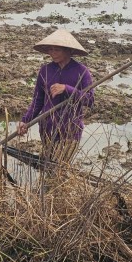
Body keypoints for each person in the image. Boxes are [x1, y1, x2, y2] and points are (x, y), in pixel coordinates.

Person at [17, 29, 94, 173]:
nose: (52, 53)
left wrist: (67, 89)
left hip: (70, 130)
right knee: (46, 168)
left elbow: (89, 100)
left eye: (57, 49)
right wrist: (25, 121)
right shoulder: (45, 71)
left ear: (68, 51)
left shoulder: (81, 72)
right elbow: (38, 100)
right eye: (50, 49)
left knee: (57, 170)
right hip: (47, 128)